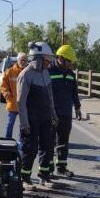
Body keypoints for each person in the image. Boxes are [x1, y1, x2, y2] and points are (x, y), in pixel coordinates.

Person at [18, 42, 57, 190]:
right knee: (30, 149)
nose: (49, 63)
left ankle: (44, 176)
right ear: (38, 59)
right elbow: (20, 102)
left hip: (45, 117)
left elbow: (50, 97)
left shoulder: (46, 73)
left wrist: (53, 114)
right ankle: (25, 178)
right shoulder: (25, 75)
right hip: (31, 119)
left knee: (48, 147)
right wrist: (24, 123)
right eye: (47, 60)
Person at [48, 44, 82, 178]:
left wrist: (77, 107)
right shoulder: (48, 71)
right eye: (69, 61)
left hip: (66, 112)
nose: (70, 64)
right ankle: (47, 169)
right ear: (60, 58)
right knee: (49, 142)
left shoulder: (70, 74)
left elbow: (74, 92)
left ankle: (61, 167)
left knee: (63, 141)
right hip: (51, 113)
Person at [0, 52, 28, 138]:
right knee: (10, 124)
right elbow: (3, 84)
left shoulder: (29, 72)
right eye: (21, 60)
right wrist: (6, 93)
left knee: (23, 125)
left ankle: (21, 141)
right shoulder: (10, 71)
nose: (23, 62)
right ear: (17, 60)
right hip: (12, 103)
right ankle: (7, 140)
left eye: (25, 60)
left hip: (24, 105)